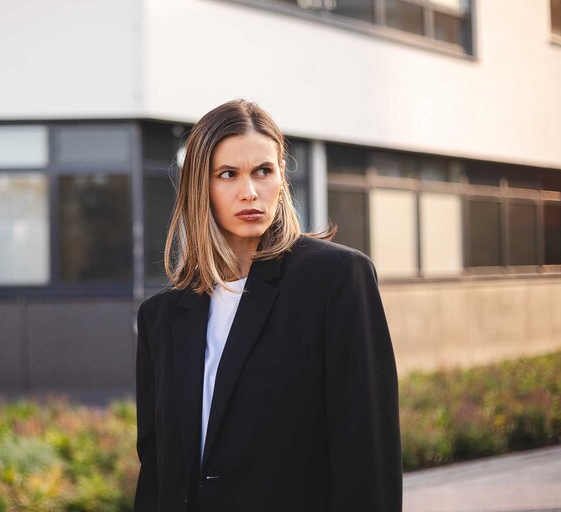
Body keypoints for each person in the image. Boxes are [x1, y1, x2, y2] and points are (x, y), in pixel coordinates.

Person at [134, 99, 402, 512]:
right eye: (228, 174)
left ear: (281, 178)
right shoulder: (162, 318)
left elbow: (368, 456)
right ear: (199, 188)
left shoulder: (335, 280)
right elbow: (156, 473)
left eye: (263, 171)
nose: (250, 192)